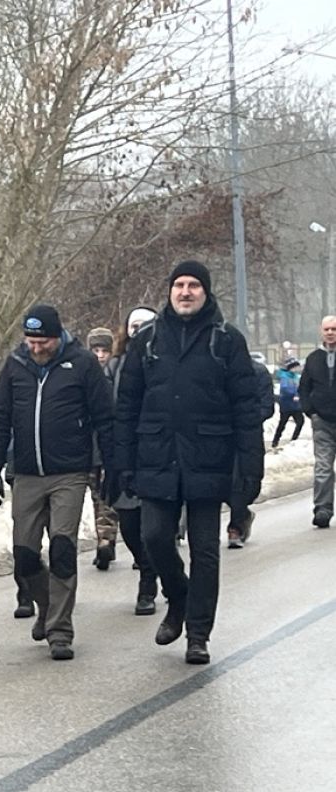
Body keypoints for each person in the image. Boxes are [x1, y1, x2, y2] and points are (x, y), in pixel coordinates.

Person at [115, 261, 263, 664]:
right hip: (156, 457)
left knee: (205, 552)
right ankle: (178, 597)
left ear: (205, 291)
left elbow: (246, 410)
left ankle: (199, 633)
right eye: (178, 284)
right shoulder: (147, 340)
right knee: (154, 538)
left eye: (193, 285)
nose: (185, 291)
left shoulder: (226, 340)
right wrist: (122, 462)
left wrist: (250, 469)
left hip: (209, 460)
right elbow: (126, 406)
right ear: (169, 291)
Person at [0, 303, 113, 661]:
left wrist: (112, 465)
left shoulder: (82, 363)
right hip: (26, 472)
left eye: (43, 342)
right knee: (24, 555)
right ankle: (46, 604)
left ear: (58, 337)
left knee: (62, 549)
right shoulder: (15, 365)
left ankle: (60, 630)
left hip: (69, 472)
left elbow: (105, 417)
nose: (36, 347)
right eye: (31, 341)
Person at [107, 308, 160, 616]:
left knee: (153, 529)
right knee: (128, 525)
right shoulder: (114, 366)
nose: (138, 331)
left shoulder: (165, 361)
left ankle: (148, 585)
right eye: (134, 325)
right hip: (124, 455)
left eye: (145, 325)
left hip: (158, 456)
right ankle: (148, 564)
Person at [226, 354, 275, 549]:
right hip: (220, 434)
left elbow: (267, 406)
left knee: (246, 482)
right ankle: (237, 525)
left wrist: (248, 420)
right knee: (223, 483)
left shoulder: (259, 372)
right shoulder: (218, 370)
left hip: (249, 436)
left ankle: (238, 522)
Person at [86, 326, 119, 570]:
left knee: (106, 495)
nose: (100, 356)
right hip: (87, 447)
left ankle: (106, 540)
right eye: (95, 350)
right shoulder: (82, 374)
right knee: (95, 496)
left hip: (110, 445)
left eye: (104, 350)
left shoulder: (119, 373)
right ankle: (104, 539)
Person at [299, 314, 336, 529]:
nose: (330, 333)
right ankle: (323, 509)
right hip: (322, 422)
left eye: (334, 329)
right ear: (321, 332)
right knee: (323, 466)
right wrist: (310, 411)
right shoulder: (313, 359)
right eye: (327, 329)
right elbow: (304, 387)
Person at [272, 357, 304, 448]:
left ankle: (294, 439)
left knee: (300, 421)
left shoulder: (296, 377)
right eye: (296, 367)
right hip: (287, 404)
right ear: (291, 367)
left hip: (296, 405)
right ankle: (275, 441)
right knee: (282, 423)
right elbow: (285, 389)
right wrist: (294, 394)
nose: (298, 368)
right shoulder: (285, 377)